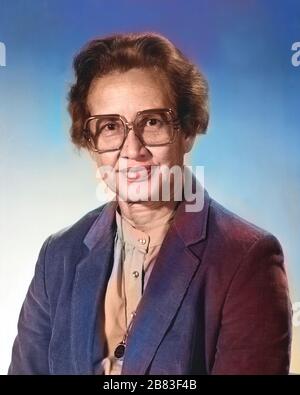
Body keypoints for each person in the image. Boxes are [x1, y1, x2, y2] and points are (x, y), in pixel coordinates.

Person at [9, 32, 292, 375]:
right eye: (111, 126)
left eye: (152, 122)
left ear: (186, 131)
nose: (132, 149)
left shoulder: (247, 260)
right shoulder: (58, 256)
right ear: (91, 142)